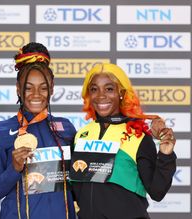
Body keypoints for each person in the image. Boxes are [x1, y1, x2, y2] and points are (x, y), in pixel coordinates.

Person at [70, 63, 177, 219]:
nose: (101, 96)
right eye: (94, 89)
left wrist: (166, 155)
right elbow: (74, 190)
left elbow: (157, 192)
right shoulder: (81, 135)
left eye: (109, 89)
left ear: (121, 93)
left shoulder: (138, 136)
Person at [0, 42, 76, 219]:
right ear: (18, 89)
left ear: (52, 88)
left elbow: (79, 183)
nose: (36, 94)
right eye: (28, 88)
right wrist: (14, 168)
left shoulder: (66, 128)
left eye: (43, 87)